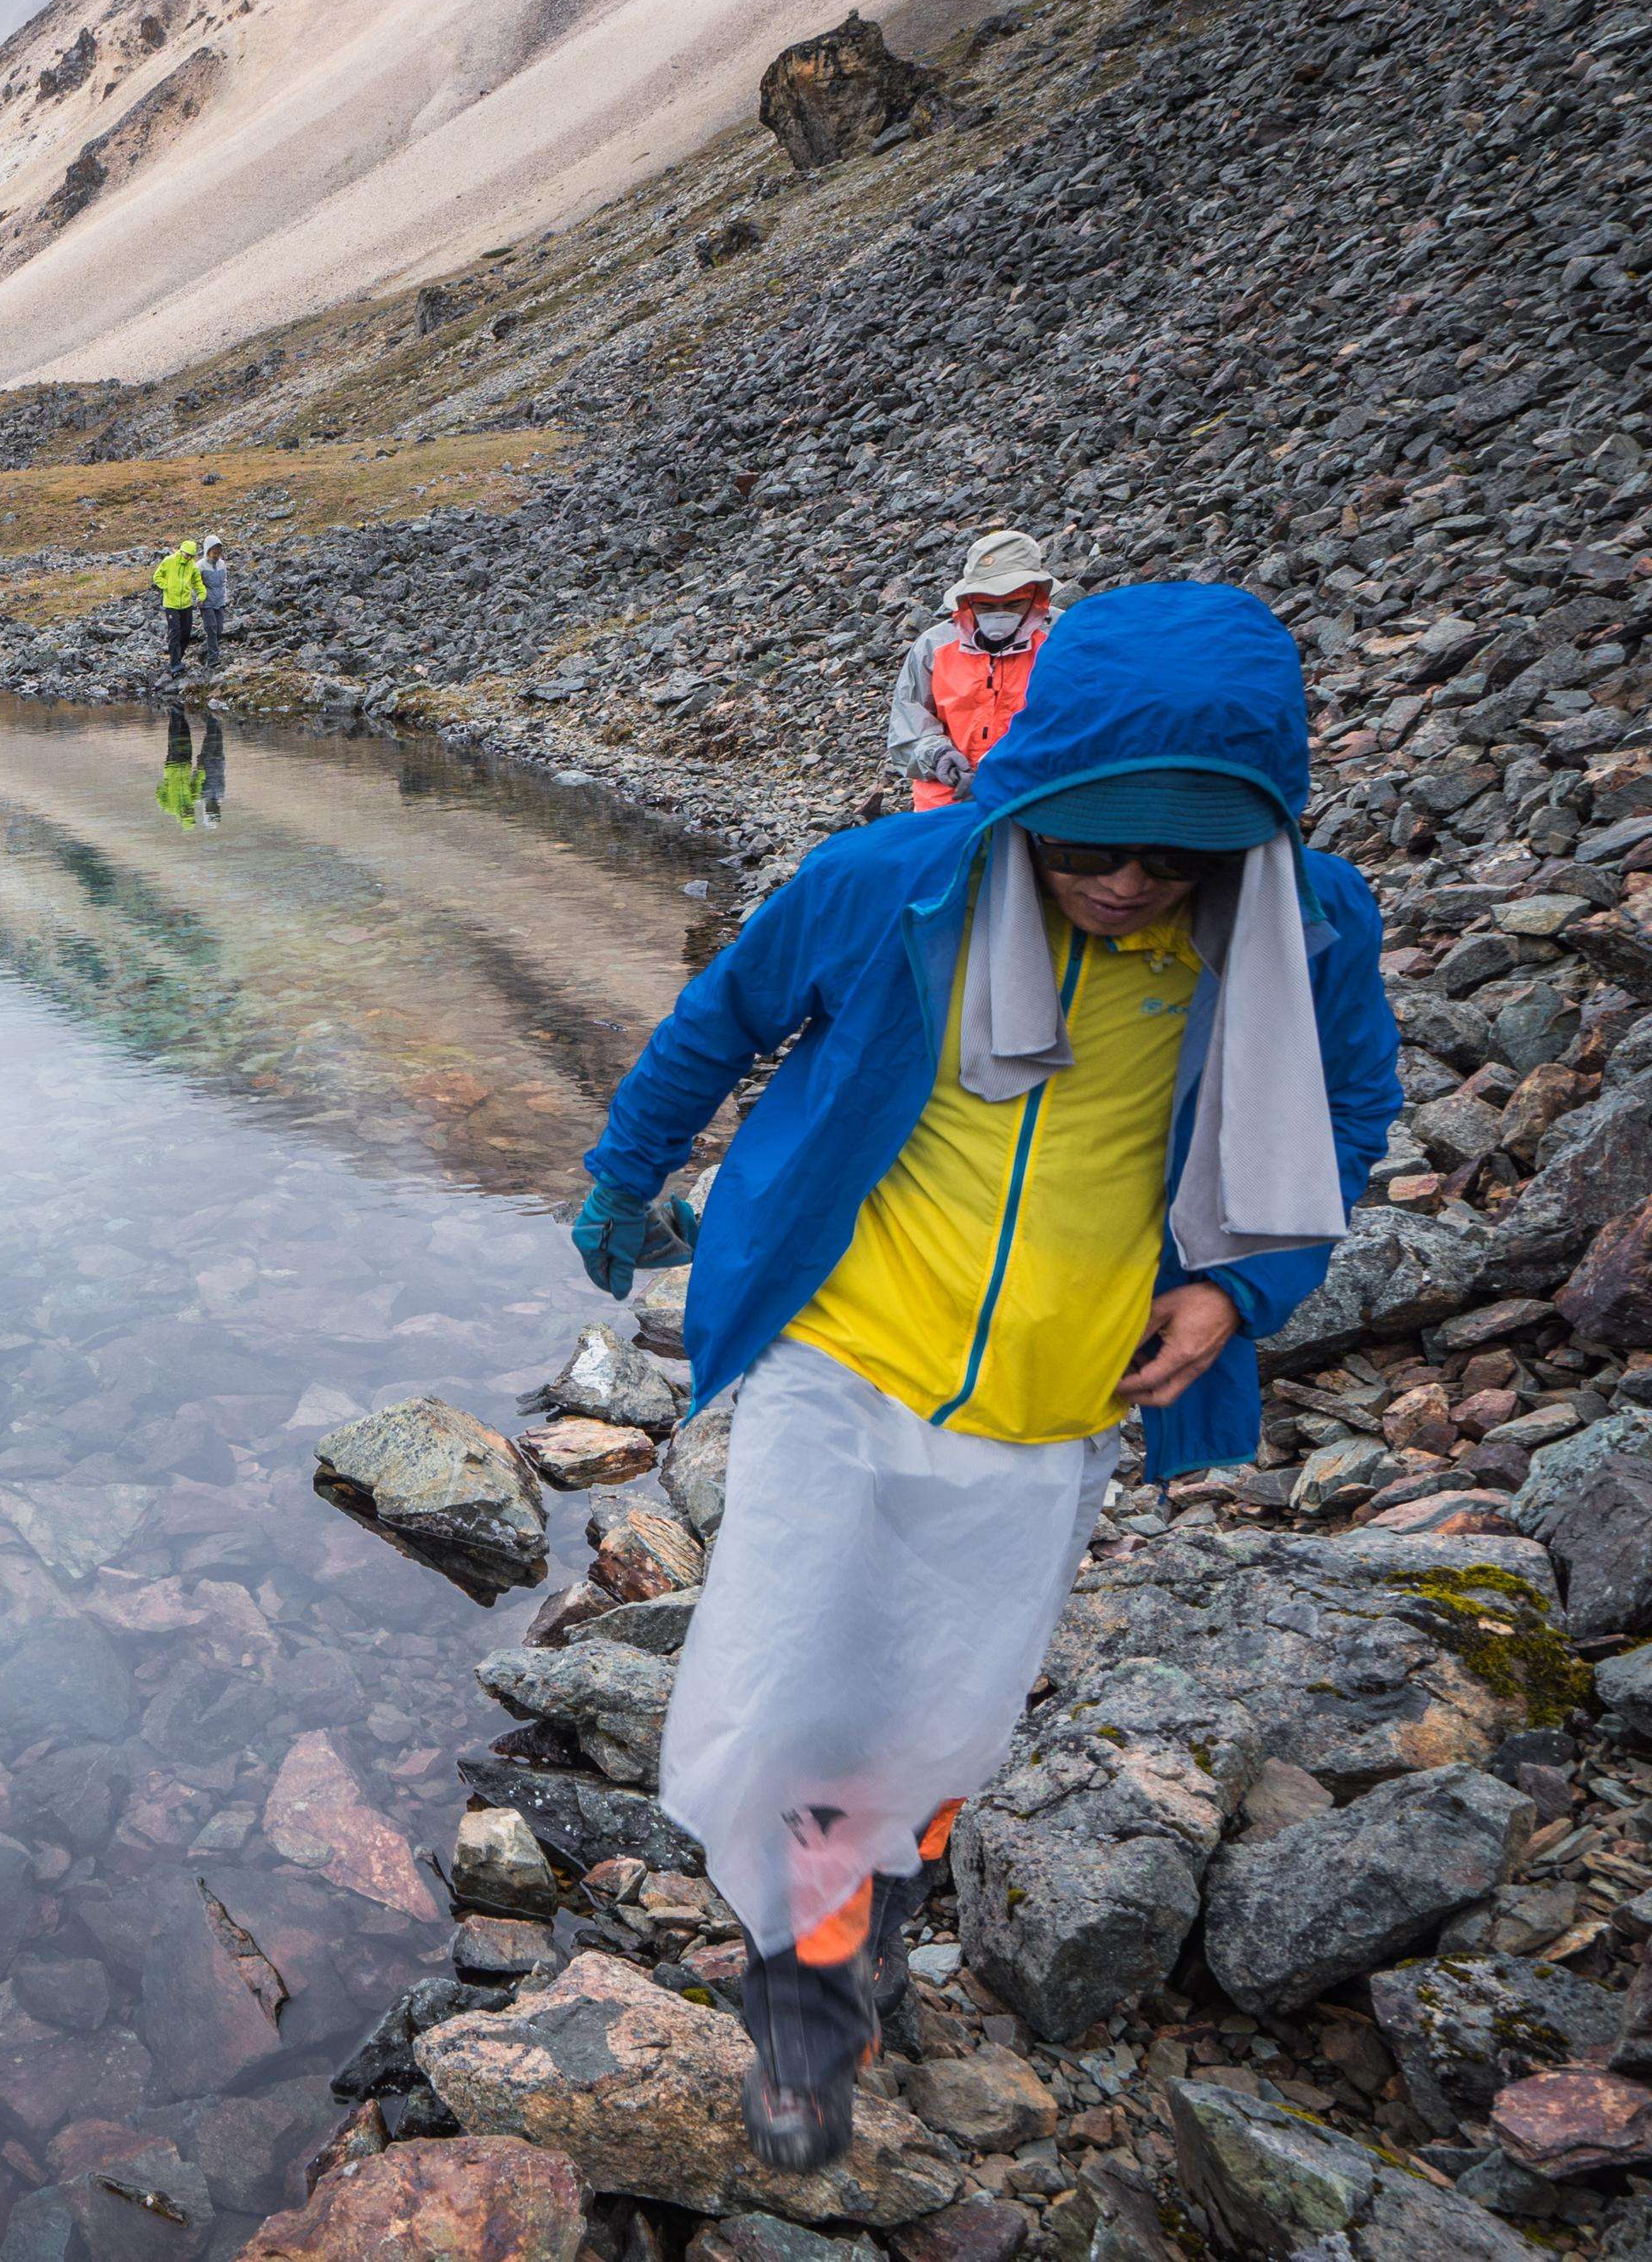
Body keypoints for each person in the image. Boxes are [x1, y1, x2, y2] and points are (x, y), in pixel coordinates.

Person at [568, 582, 1401, 2171]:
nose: (1127, 881)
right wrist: (626, 1171)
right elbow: (721, 1019)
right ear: (1031, 790)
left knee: (943, 1699)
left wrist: (1236, 1286)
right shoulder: (892, 884)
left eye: (1177, 858)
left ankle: (872, 1881)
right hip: (849, 1347)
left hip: (1060, 1393)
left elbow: (1345, 1117)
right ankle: (805, 1987)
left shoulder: (1302, 932)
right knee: (791, 1664)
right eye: (1091, 843)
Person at [886, 530, 1056, 810]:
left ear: (1036, 595)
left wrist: (1016, 766)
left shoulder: (1061, 639)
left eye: (1014, 603)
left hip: (1035, 791)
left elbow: (1082, 720)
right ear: (968, 601)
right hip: (949, 796)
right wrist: (940, 756)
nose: (999, 612)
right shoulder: (935, 646)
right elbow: (909, 723)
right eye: (986, 605)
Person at [157, 707, 228, 830]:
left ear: (181, 818)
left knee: (175, 738)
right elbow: (197, 782)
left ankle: (176, 711)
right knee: (186, 738)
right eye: (190, 814)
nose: (188, 812)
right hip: (187, 765)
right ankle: (181, 711)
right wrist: (200, 770)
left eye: (187, 814)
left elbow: (159, 795)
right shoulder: (195, 799)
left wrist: (167, 782)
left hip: (172, 765)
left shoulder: (170, 808)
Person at [154, 540, 203, 676]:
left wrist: (202, 595)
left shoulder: (192, 566)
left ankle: (179, 657)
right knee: (175, 632)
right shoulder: (169, 561)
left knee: (186, 633)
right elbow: (157, 576)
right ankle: (175, 663)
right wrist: (167, 586)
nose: (187, 557)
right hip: (171, 604)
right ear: (181, 551)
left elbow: (197, 582)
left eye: (190, 556)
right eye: (186, 554)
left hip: (186, 604)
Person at [197, 535, 232, 666]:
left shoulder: (222, 564)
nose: (217, 555)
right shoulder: (200, 565)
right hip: (206, 602)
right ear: (208, 551)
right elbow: (195, 584)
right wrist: (198, 598)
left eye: (219, 553)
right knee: (211, 628)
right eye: (214, 553)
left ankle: (204, 652)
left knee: (219, 629)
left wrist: (225, 597)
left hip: (219, 601)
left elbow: (224, 582)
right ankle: (213, 659)